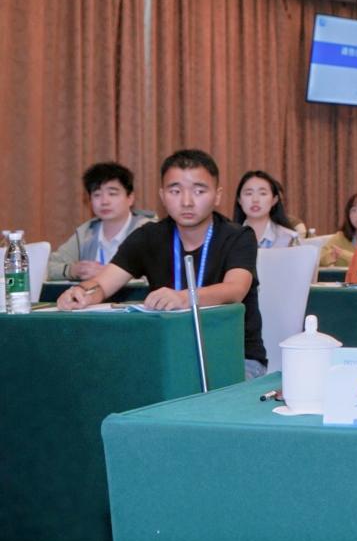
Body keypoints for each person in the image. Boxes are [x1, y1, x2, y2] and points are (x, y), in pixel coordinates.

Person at [56, 149, 267, 378]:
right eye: (175, 191)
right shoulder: (148, 236)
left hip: (235, 356)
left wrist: (183, 298)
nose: (186, 201)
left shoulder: (238, 236)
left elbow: (235, 289)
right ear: (162, 196)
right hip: (169, 356)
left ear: (217, 195)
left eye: (199, 191)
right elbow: (103, 284)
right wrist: (81, 292)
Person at [48, 162, 156, 280]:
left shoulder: (149, 231)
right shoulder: (86, 232)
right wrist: (72, 270)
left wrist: (113, 276)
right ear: (89, 201)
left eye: (112, 194)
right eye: (97, 195)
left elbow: (162, 273)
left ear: (130, 198)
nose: (104, 201)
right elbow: (47, 266)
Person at [233, 170, 300, 249]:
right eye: (249, 193)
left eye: (263, 193)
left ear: (274, 200)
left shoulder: (289, 239)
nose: (255, 200)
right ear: (239, 200)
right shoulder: (228, 238)